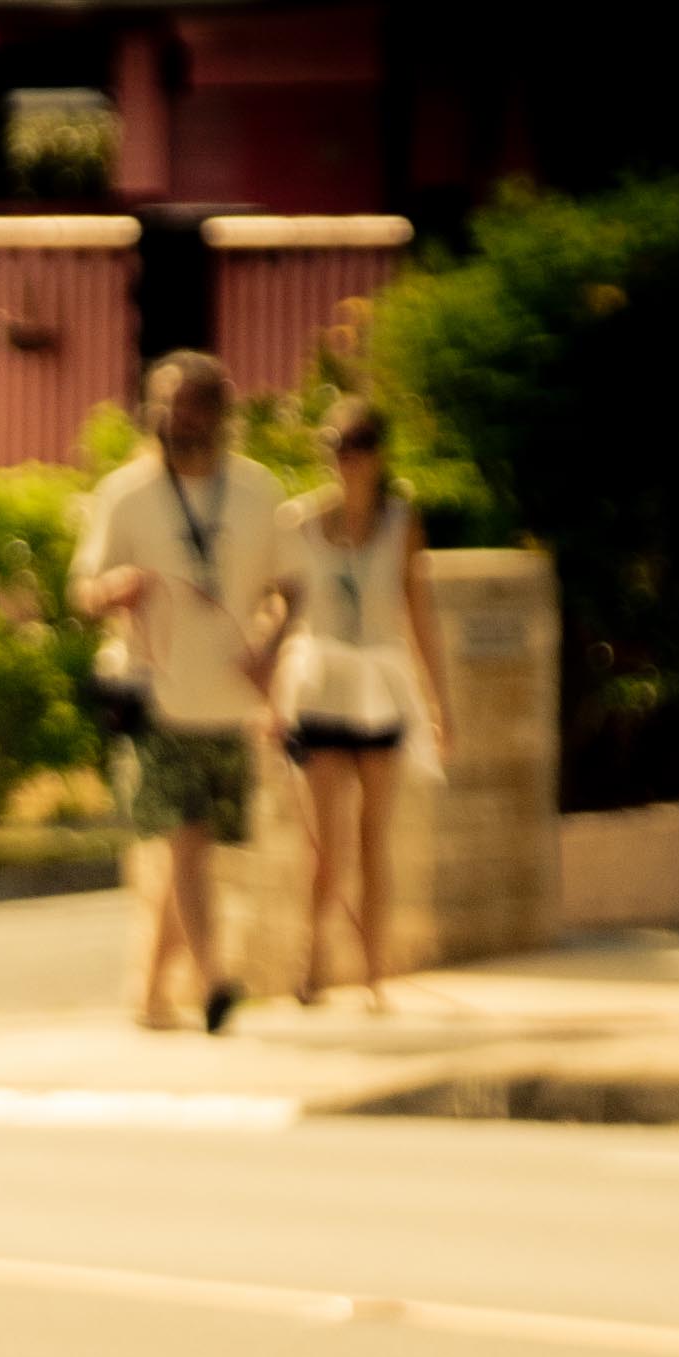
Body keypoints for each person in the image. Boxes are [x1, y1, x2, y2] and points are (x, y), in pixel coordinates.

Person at [73, 352, 294, 1031]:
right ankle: (214, 981)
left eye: (191, 405)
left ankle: (148, 993)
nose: (175, 419)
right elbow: (83, 591)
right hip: (154, 697)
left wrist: (271, 648)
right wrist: (114, 589)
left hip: (228, 703)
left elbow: (294, 590)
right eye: (164, 405)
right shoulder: (124, 493)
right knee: (187, 841)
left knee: (190, 855)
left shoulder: (258, 492)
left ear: (221, 413)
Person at [275, 398, 451, 1009]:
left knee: (375, 837)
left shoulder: (402, 524)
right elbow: (280, 613)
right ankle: (312, 964)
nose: (348, 458)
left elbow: (419, 615)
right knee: (327, 845)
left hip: (379, 691)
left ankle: (375, 975)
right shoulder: (299, 522)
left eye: (359, 445)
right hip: (321, 689)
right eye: (338, 445)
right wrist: (269, 695)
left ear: (379, 454)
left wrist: (440, 704)